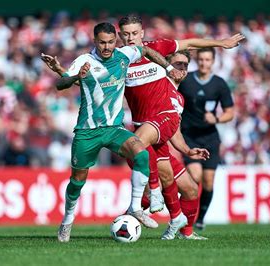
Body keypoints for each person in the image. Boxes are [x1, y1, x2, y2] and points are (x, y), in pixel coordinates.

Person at [45, 22, 185, 243]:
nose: (107, 47)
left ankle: (136, 207)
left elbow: (146, 49)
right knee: (77, 181)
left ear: (115, 41)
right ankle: (67, 219)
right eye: (102, 42)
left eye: (111, 42)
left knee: (141, 153)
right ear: (95, 41)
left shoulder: (124, 54)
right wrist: (75, 77)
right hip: (87, 131)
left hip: (114, 129)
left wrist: (168, 69)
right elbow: (61, 83)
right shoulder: (85, 61)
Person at [118, 14, 243, 239]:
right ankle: (146, 207)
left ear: (142, 34)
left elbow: (172, 126)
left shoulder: (177, 95)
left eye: (135, 33)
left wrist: (186, 150)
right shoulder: (119, 61)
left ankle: (184, 231)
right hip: (142, 135)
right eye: (126, 34)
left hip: (158, 136)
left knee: (191, 188)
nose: (130, 38)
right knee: (160, 181)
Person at [178, 47, 235, 231]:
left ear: (213, 61)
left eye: (207, 60)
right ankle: (184, 217)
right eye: (201, 59)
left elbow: (230, 113)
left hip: (210, 138)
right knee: (195, 176)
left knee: (208, 181)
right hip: (189, 137)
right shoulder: (186, 81)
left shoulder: (219, 84)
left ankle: (200, 218)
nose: (204, 63)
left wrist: (217, 119)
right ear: (198, 60)